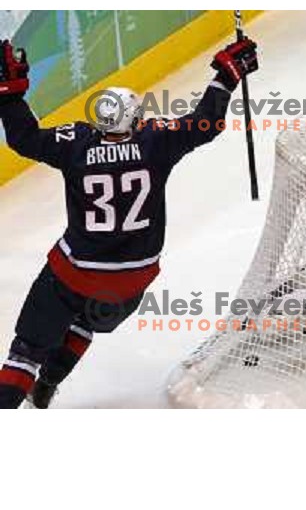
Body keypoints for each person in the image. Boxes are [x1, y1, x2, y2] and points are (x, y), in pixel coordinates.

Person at [0, 37, 258, 409]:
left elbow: (24, 139)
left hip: (74, 273)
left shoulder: (76, 144)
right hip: (130, 281)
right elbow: (205, 124)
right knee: (85, 322)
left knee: (26, 351)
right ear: (135, 121)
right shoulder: (155, 141)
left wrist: (9, 97)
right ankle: (46, 388)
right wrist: (226, 77)